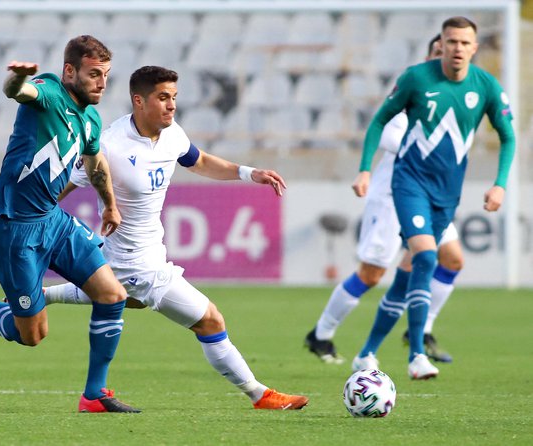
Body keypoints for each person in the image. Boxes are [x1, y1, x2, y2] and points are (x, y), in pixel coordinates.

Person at [44, 65, 309, 410]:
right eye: (163, 98)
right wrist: (13, 215)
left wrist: (248, 173)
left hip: (142, 257)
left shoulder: (172, 134)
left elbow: (199, 162)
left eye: (174, 98)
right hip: (136, 263)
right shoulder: (109, 144)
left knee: (126, 299)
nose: (171, 105)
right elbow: (62, 185)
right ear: (139, 101)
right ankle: (260, 395)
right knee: (210, 319)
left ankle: (40, 295)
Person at [0, 35, 140, 413]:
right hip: (15, 231)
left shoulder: (91, 119)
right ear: (69, 71)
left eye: (106, 75)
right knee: (31, 335)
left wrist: (110, 205)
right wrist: (16, 79)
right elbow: (18, 91)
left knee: (113, 295)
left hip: (54, 222)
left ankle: (94, 394)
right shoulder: (47, 91)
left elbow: (95, 164)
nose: (101, 82)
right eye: (93, 73)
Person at [351, 16, 515, 379]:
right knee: (427, 256)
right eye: (451, 41)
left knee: (407, 276)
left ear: (474, 47)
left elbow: (508, 135)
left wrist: (500, 183)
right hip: (409, 184)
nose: (457, 48)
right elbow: (379, 120)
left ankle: (366, 353)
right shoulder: (416, 78)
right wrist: (364, 169)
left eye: (464, 43)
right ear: (441, 42)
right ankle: (417, 355)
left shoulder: (486, 86)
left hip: (446, 194)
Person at [304, 34, 459, 365]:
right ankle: (321, 334)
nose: (443, 55)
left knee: (452, 259)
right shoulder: (412, 90)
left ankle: (422, 329)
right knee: (371, 274)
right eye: (438, 50)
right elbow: (387, 132)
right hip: (393, 196)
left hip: (431, 198)